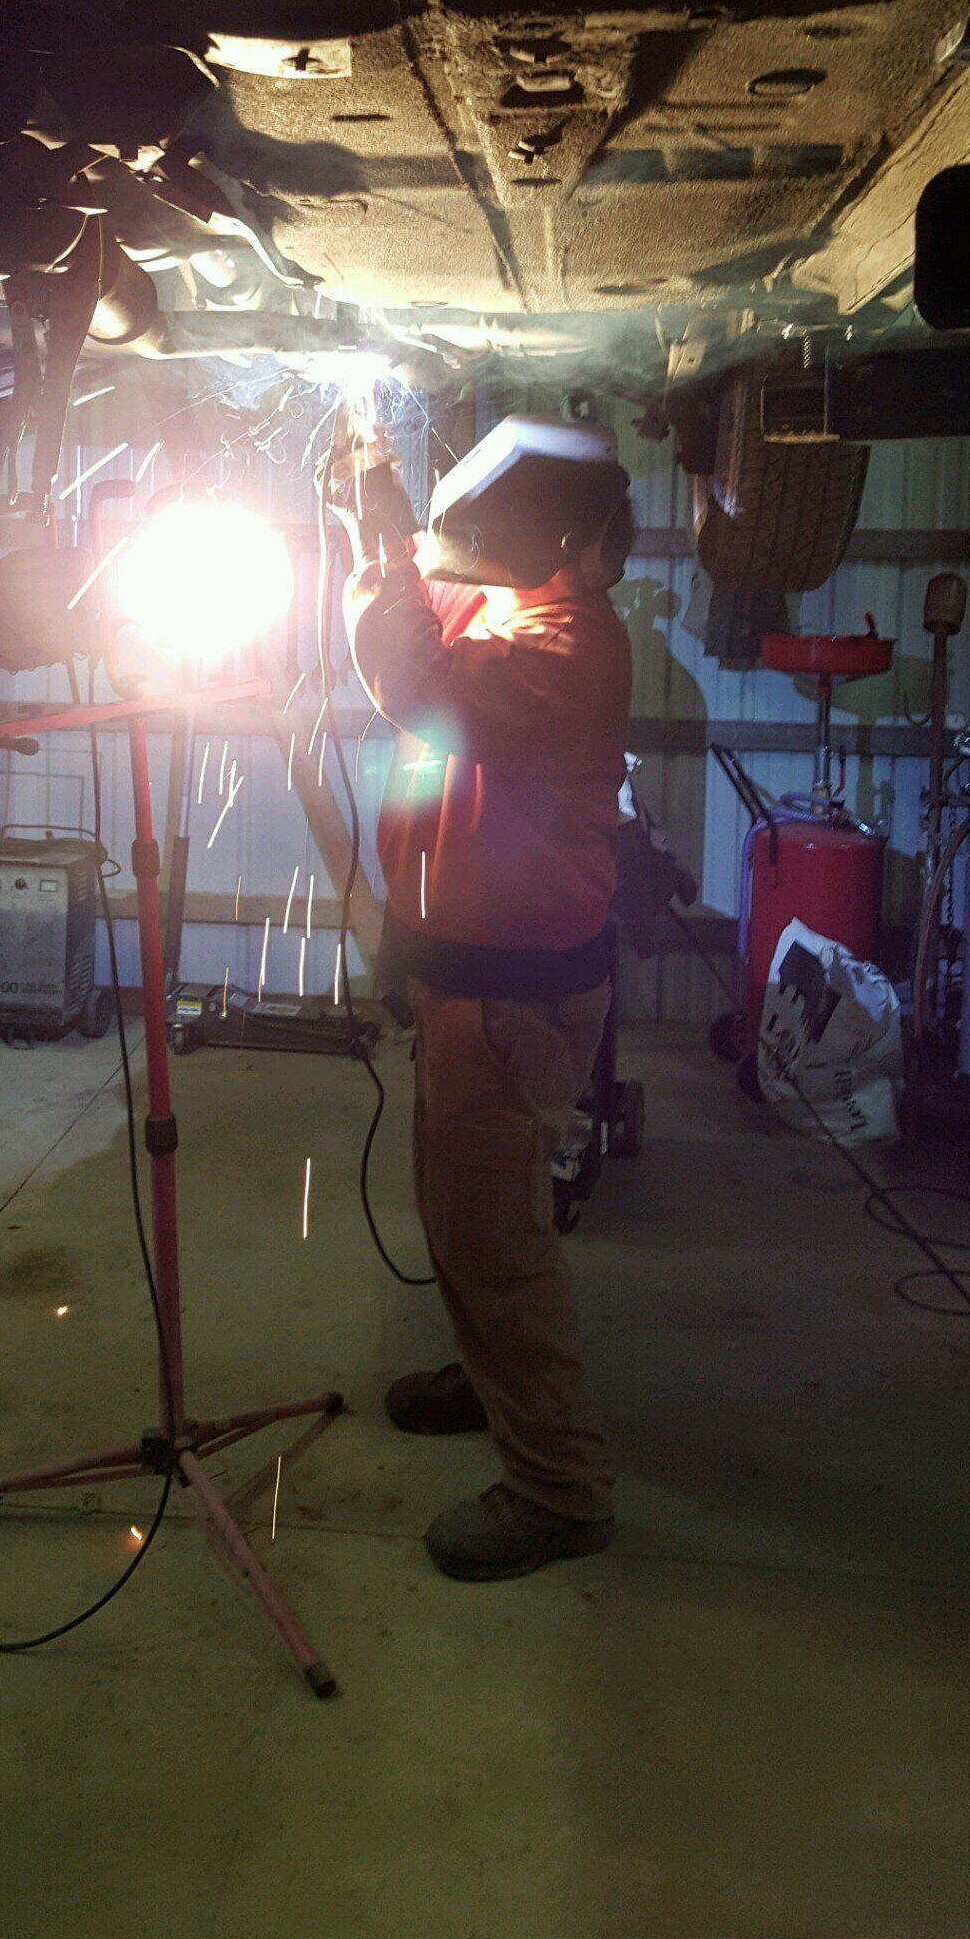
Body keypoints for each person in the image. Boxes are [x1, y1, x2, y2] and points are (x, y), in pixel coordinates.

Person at [328, 414, 633, 1581]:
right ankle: (489, 1372)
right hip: (475, 991)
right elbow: (398, 620)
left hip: (513, 1007)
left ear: (559, 540)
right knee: (466, 1216)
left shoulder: (570, 648)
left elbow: (409, 675)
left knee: (496, 1241)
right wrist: (369, 517)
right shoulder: (512, 610)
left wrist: (386, 545)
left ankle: (560, 1489)